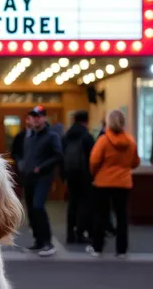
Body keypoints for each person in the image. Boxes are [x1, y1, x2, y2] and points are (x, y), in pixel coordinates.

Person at [88, 109, 140, 258]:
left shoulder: (103, 140)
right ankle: (121, 250)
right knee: (122, 216)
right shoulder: (130, 140)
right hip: (124, 183)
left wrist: (96, 173)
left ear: (108, 122)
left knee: (100, 215)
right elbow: (135, 162)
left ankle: (97, 248)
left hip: (103, 183)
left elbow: (94, 161)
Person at [22, 106, 63, 257]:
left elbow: (58, 155)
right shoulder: (30, 135)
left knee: (38, 207)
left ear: (44, 118)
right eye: (33, 116)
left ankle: (48, 243)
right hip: (29, 177)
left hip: (43, 177)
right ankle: (38, 242)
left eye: (38, 116)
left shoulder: (52, 135)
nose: (35, 119)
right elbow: (24, 154)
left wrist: (41, 167)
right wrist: (23, 166)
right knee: (32, 210)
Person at [63, 110, 95, 244]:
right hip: (85, 175)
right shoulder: (87, 136)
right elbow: (93, 157)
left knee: (72, 204)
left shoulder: (67, 136)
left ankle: (70, 234)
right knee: (84, 204)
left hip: (70, 174)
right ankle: (80, 233)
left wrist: (63, 175)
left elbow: (62, 155)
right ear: (86, 121)